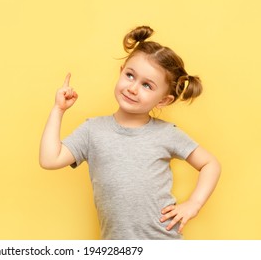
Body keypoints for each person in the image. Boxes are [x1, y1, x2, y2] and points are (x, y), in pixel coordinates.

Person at [39, 26, 221, 240]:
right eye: (130, 75)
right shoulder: (92, 130)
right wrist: (58, 110)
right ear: (121, 71)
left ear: (163, 100)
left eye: (147, 85)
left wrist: (194, 204)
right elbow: (50, 159)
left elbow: (211, 164)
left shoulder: (166, 133)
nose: (133, 88)